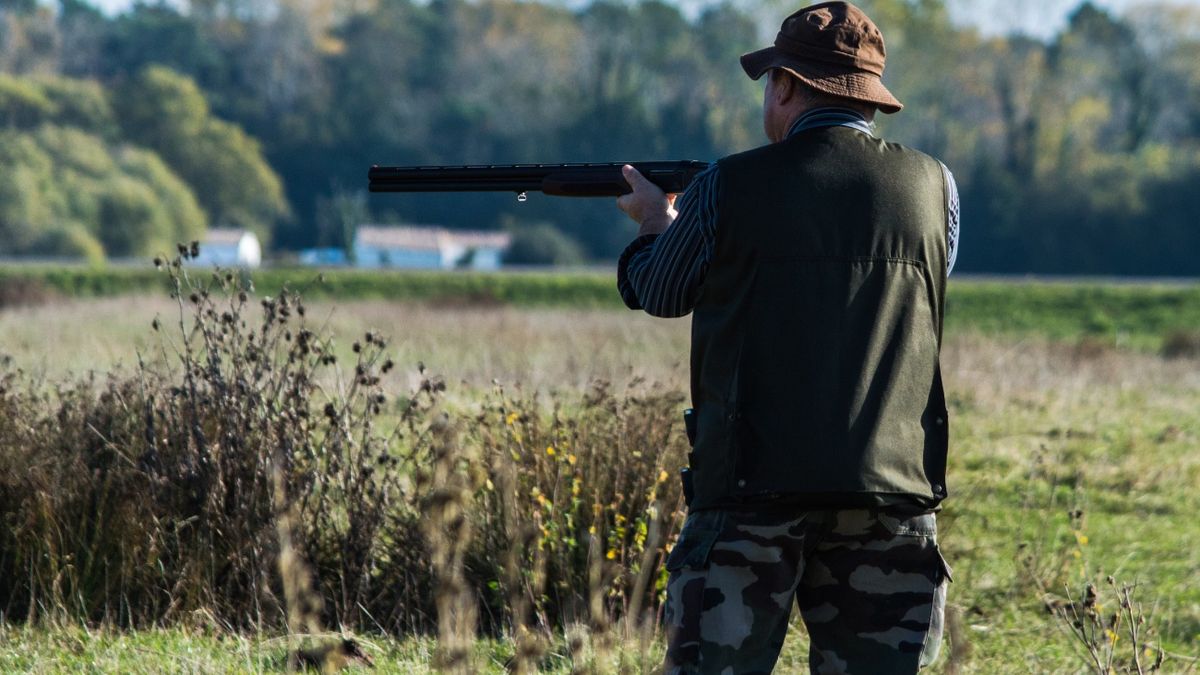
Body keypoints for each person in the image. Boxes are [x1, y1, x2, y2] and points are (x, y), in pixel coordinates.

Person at [614, 2, 959, 673]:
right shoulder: (935, 187)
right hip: (890, 494)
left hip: (750, 494)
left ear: (786, 86)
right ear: (870, 98)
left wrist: (654, 225)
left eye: (770, 83)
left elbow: (657, 291)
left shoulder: (728, 184)